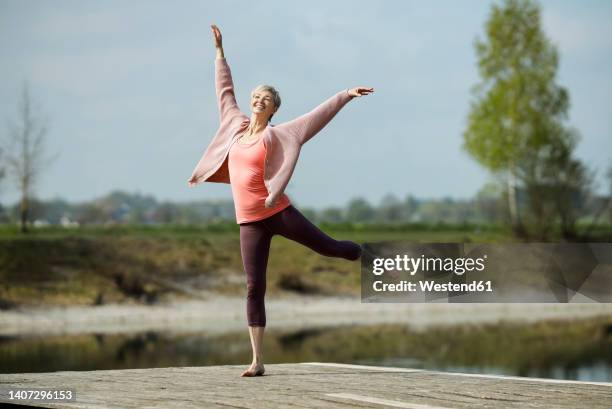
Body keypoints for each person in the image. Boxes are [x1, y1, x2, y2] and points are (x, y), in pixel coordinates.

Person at [188, 24, 374, 377]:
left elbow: (316, 118)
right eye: (255, 96)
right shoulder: (235, 124)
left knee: (331, 248)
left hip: (278, 211)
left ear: (273, 109)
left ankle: (365, 254)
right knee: (254, 286)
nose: (258, 100)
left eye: (265, 99)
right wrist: (219, 52)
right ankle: (257, 361)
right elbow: (224, 90)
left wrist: (346, 94)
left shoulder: (281, 133)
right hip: (249, 222)